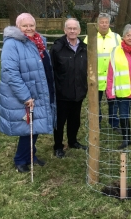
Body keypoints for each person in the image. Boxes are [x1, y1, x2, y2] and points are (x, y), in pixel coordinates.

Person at [0, 13, 56, 173]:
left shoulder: (37, 42)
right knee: (27, 127)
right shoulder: (12, 44)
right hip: (25, 94)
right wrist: (25, 96)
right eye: (25, 26)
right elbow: (10, 72)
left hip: (38, 91)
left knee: (34, 125)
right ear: (18, 27)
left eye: (31, 25)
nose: (29, 28)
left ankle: (31, 155)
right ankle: (20, 159)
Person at [50, 18, 88, 158]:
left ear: (79, 30)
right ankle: (58, 146)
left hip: (78, 92)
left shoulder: (84, 48)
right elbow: (51, 70)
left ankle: (73, 141)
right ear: (64, 30)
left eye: (75, 28)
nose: (72, 31)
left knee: (75, 120)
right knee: (60, 122)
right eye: (69, 28)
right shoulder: (57, 48)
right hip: (62, 93)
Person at [84, 13, 121, 132]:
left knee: (113, 102)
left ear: (109, 23)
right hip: (96, 77)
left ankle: (114, 123)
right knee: (96, 102)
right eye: (102, 22)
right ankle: (96, 123)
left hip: (112, 77)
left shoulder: (117, 37)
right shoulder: (90, 37)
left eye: (106, 22)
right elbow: (85, 56)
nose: (104, 24)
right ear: (97, 23)